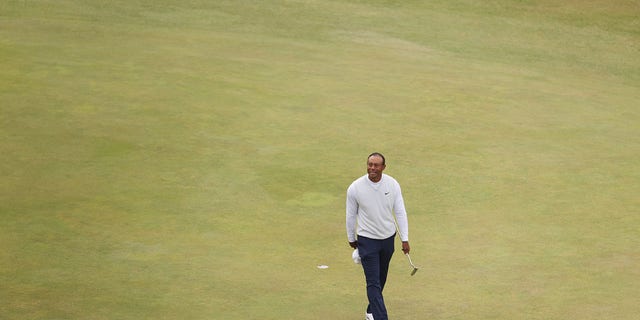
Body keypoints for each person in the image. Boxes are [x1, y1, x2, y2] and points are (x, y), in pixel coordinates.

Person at [346, 152, 410, 320]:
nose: (372, 168)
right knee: (373, 281)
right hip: (367, 240)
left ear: (383, 167)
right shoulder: (355, 187)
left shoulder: (392, 184)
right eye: (370, 164)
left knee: (381, 278)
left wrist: (405, 239)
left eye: (376, 165)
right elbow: (351, 215)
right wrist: (351, 237)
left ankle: (370, 311)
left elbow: (400, 212)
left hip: (388, 239)